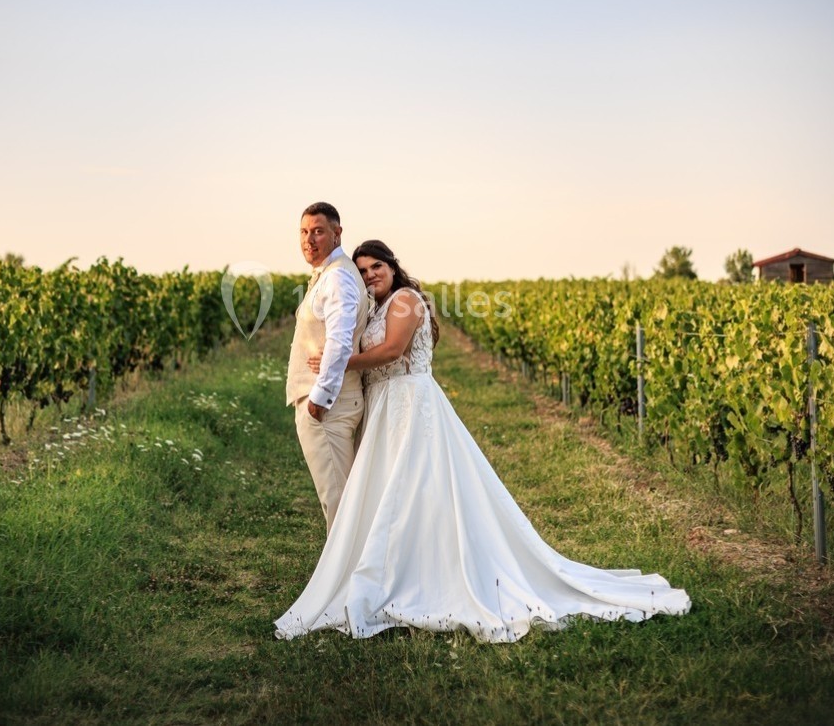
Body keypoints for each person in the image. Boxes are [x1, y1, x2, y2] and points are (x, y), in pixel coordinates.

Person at [275, 240, 690, 643]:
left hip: (410, 402)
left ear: (392, 266)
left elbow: (392, 350)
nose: (369, 276)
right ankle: (395, 573)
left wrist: (339, 360)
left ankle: (427, 578)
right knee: (392, 495)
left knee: (422, 489)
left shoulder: (405, 300)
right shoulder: (379, 305)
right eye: (362, 271)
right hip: (385, 407)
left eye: (376, 268)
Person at [285, 202, 372, 533]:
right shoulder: (332, 274)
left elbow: (339, 342)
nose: (309, 239)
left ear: (337, 233)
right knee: (340, 500)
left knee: (338, 502)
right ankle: (350, 577)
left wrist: (318, 401)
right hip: (332, 403)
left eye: (318, 231)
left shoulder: (337, 278)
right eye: (304, 232)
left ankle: (348, 582)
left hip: (328, 407)